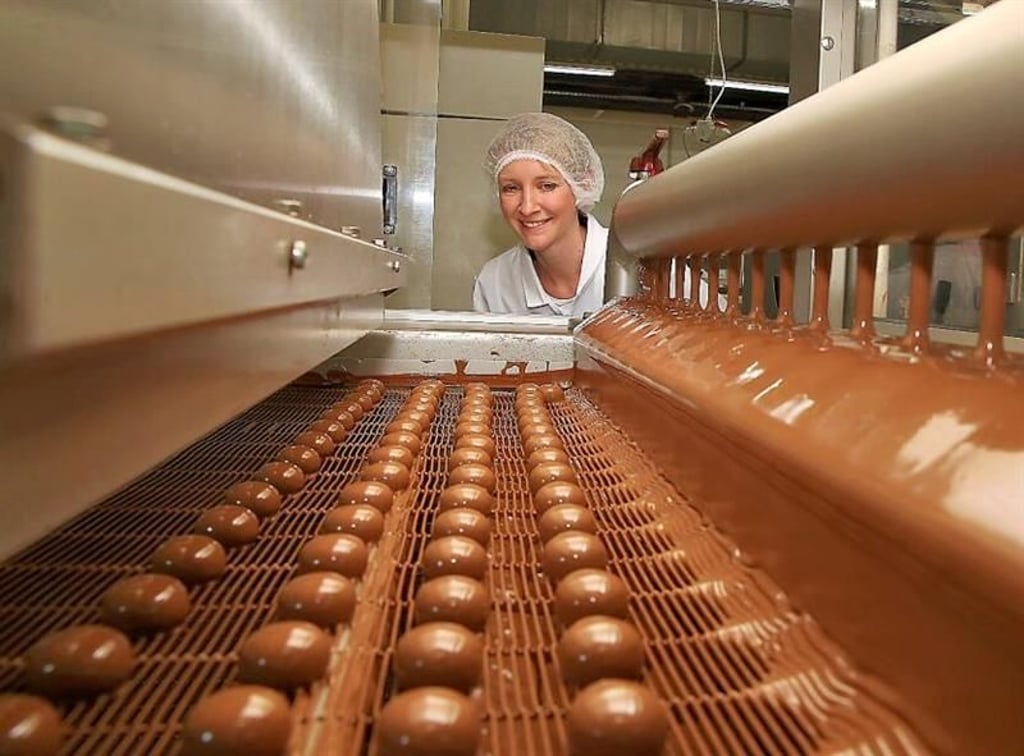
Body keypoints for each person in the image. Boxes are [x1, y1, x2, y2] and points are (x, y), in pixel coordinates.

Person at [473, 113, 607, 317]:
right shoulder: (495, 282)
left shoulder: (636, 265)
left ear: (582, 185)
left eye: (546, 186)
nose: (527, 208)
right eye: (511, 188)